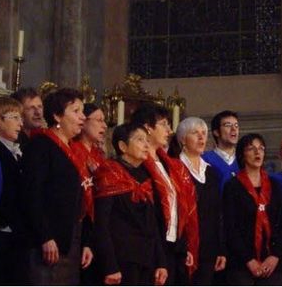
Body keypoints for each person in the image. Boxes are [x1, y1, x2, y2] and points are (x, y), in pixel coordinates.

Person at [20, 88, 94, 285]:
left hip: (72, 236)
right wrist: (45, 236)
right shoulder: (41, 146)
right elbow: (32, 194)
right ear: (57, 116)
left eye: (82, 111)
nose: (83, 117)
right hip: (48, 239)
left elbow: (81, 196)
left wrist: (86, 241)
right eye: (76, 111)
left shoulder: (75, 149)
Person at [92, 122, 170, 286]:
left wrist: (161, 262)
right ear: (123, 146)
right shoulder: (109, 172)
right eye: (140, 140)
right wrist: (110, 265)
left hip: (146, 258)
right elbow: (101, 224)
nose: (146, 145)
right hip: (120, 259)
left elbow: (153, 223)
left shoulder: (146, 175)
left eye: (147, 140)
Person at [131, 102, 196, 285]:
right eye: (164, 124)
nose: (169, 130)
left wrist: (184, 244)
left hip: (174, 245)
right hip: (152, 246)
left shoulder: (169, 164)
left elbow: (178, 206)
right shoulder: (138, 166)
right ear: (148, 128)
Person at [223, 133, 282, 285]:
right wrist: (249, 260)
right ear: (242, 155)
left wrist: (275, 256)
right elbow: (230, 228)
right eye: (251, 149)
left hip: (272, 261)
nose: (257, 152)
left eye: (261, 148)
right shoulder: (232, 187)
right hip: (241, 262)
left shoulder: (275, 185)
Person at [174, 117, 227, 285]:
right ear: (183, 139)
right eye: (195, 133)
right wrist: (183, 247)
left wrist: (221, 249)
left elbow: (218, 213)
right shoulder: (175, 169)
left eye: (204, 133)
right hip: (183, 248)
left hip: (209, 248)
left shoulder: (211, 172)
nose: (201, 137)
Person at [0, 96, 27, 285]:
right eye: (15, 118)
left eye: (21, 118)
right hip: (0, 229)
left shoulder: (14, 150)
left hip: (13, 230)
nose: (20, 124)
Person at [202, 110, 240, 190]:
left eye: (236, 125)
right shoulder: (205, 159)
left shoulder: (243, 158)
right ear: (216, 132)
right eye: (228, 125)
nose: (234, 129)